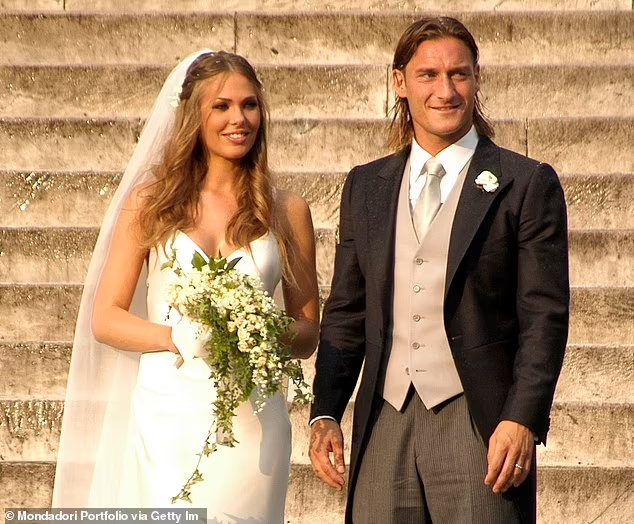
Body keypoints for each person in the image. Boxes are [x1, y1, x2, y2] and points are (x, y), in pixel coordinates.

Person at [309, 16, 569, 523]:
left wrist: (522, 417)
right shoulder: (365, 186)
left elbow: (545, 317)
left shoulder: (525, 183)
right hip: (383, 420)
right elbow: (346, 311)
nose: (445, 91)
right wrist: (326, 410)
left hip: (480, 424)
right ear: (399, 82)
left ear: (476, 78)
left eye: (459, 74)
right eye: (428, 75)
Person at [52, 50, 320, 521]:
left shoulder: (287, 210)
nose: (239, 119)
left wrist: (257, 328)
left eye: (249, 105)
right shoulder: (151, 203)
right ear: (194, 115)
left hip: (253, 422)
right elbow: (106, 317)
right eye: (222, 106)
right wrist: (175, 335)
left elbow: (307, 332)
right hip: (167, 415)